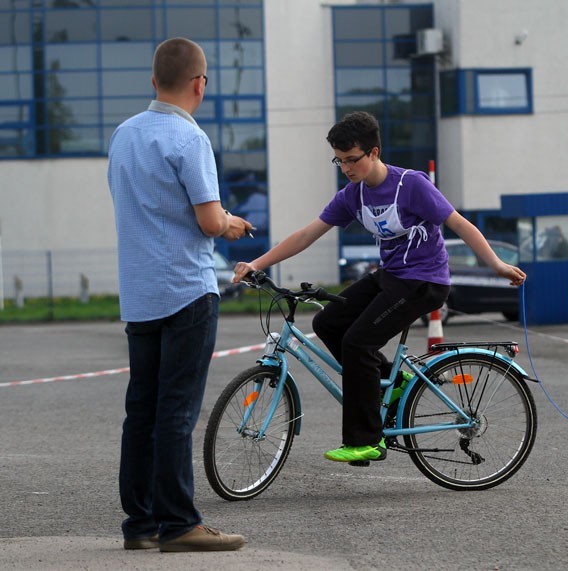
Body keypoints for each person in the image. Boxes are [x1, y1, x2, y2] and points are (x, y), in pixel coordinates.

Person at [232, 111, 526, 463]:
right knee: (328, 323)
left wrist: (496, 264)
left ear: (373, 152)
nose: (346, 168)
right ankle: (391, 379)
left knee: (358, 342)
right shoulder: (352, 195)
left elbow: (459, 224)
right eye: (339, 161)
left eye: (351, 160)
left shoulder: (411, 185)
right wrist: (256, 264)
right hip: (390, 276)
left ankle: (367, 440)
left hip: (424, 281)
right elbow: (306, 234)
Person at [107, 37, 250, 552]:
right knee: (177, 410)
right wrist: (231, 223)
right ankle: (179, 523)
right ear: (199, 84)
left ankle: (140, 525)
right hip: (186, 290)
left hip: (139, 291)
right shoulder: (189, 139)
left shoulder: (124, 135)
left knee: (141, 408)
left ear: (153, 81)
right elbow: (208, 219)